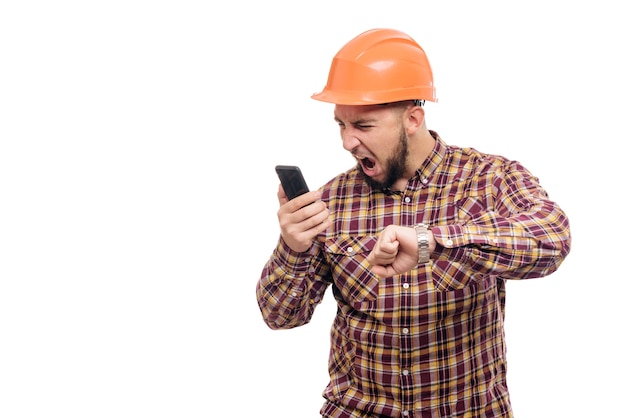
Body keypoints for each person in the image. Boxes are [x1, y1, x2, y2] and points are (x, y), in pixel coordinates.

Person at [256, 28, 571, 418]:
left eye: (363, 126)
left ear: (413, 118)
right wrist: (293, 246)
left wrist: (431, 241)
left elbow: (551, 238)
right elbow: (280, 316)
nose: (347, 142)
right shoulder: (331, 200)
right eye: (341, 124)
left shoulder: (489, 178)